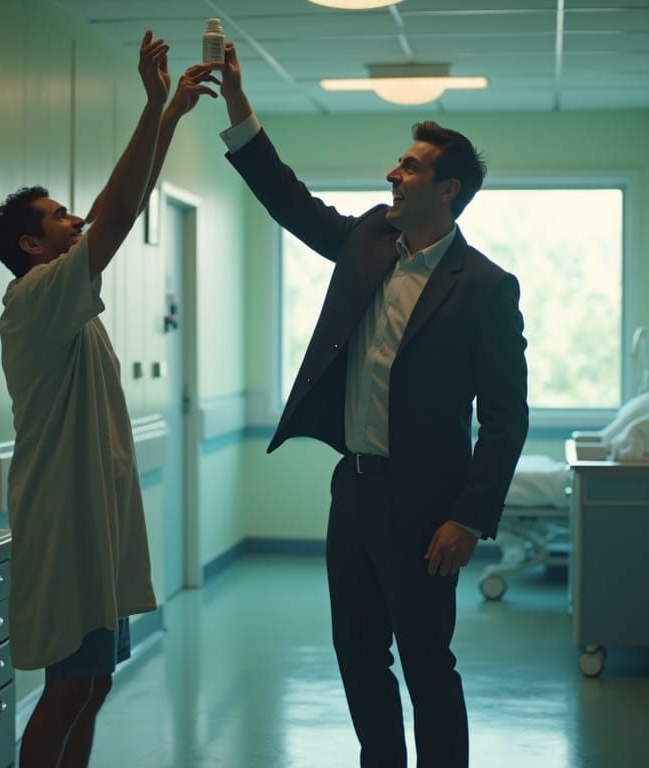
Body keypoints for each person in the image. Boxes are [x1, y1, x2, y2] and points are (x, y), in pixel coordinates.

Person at [215, 42, 528, 768]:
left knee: (426, 664)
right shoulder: (367, 242)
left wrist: (469, 517)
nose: (393, 172)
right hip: (352, 489)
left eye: (410, 165)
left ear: (447, 190)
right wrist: (237, 104)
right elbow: (287, 198)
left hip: (426, 506)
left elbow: (507, 418)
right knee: (357, 658)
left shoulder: (484, 286)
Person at [0, 32, 217, 768]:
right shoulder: (35, 298)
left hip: (96, 520)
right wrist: (154, 108)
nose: (76, 220)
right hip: (64, 524)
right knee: (66, 688)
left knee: (93, 685)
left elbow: (118, 206)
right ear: (30, 244)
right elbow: (116, 212)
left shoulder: (66, 298)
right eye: (59, 216)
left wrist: (170, 119)